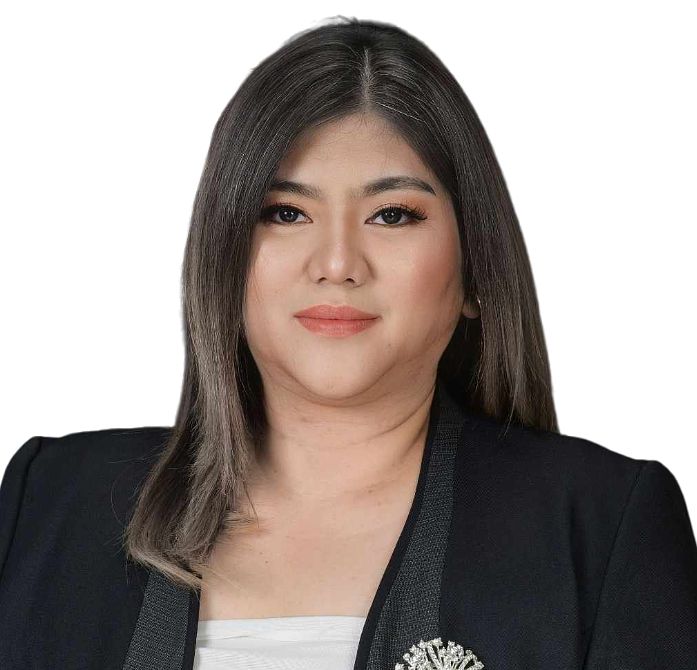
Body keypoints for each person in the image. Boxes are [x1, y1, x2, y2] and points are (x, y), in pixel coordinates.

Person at [1, 15, 696, 670]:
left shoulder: (602, 528)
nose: (336, 263)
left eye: (391, 215)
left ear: (475, 271)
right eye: (285, 213)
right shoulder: (49, 503)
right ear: (222, 259)